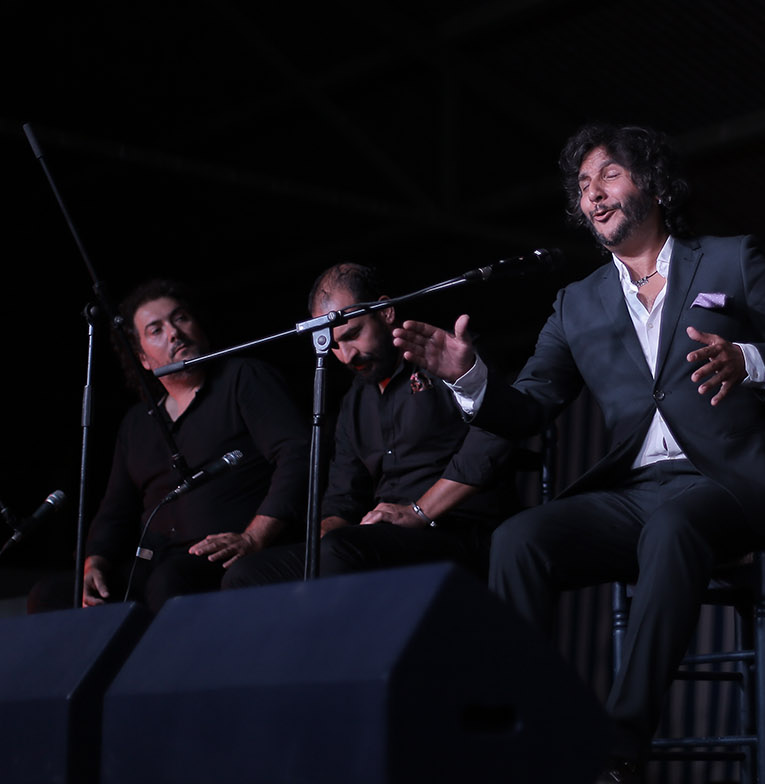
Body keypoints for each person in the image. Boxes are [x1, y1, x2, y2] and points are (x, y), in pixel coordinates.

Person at [392, 123, 765, 783]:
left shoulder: (731, 260)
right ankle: (520, 733)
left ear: (652, 185)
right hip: (639, 490)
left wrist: (748, 360)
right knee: (521, 538)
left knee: (673, 526)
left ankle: (619, 744)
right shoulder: (577, 303)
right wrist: (470, 378)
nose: (593, 195)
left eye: (608, 175)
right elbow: (529, 407)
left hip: (731, 484)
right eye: (582, 186)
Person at [222, 262, 519, 588]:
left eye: (353, 334)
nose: (347, 355)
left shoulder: (446, 358)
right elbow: (344, 495)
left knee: (341, 551)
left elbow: (492, 441)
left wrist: (417, 511)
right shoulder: (354, 401)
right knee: (246, 574)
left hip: (460, 529)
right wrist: (325, 528)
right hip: (380, 537)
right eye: (334, 345)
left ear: (386, 312)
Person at [27, 278, 310, 615]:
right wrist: (94, 563)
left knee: (170, 581)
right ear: (143, 358)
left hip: (225, 553)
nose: (174, 333)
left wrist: (254, 536)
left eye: (180, 318)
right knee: (51, 595)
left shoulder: (242, 377)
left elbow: (297, 453)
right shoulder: (137, 423)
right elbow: (115, 508)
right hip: (153, 561)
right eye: (156, 330)